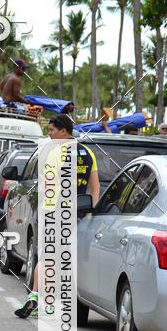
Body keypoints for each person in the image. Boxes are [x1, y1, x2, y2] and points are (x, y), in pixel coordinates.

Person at [14, 113, 100, 319]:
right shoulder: (88, 153)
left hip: (52, 212)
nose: (49, 134)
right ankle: (49, 303)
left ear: (64, 131)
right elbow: (95, 187)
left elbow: (47, 185)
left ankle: (37, 298)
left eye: (52, 130)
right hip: (76, 215)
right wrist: (90, 211)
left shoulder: (53, 153)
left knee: (46, 259)